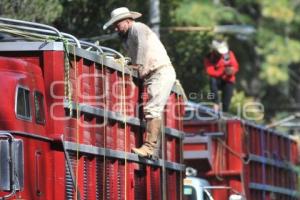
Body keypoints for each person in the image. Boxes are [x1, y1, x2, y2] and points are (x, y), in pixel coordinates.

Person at [103, 7, 176, 159]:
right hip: (154, 74)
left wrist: (137, 66)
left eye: (118, 23)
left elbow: (143, 47)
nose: (116, 27)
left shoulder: (138, 28)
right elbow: (133, 56)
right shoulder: (129, 38)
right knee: (152, 110)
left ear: (128, 20)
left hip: (159, 72)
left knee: (152, 109)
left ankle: (149, 148)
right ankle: (154, 150)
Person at [204, 39, 239, 112]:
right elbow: (209, 71)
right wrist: (223, 71)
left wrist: (231, 70)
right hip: (217, 81)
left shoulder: (229, 54)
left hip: (228, 80)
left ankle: (225, 113)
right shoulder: (209, 57)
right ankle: (215, 103)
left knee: (226, 104)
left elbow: (235, 66)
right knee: (212, 80)